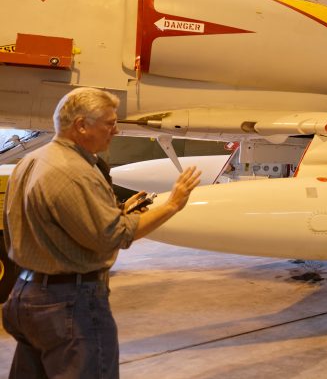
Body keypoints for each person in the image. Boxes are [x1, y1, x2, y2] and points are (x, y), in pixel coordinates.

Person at [2, 87, 202, 378]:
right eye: (109, 123)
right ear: (82, 126)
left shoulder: (31, 161)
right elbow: (114, 237)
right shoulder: (75, 173)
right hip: (69, 305)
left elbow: (48, 226)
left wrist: (118, 213)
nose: (116, 130)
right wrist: (173, 204)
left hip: (26, 296)